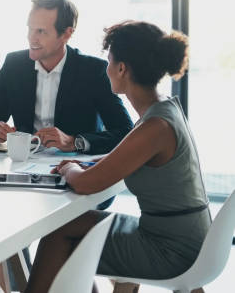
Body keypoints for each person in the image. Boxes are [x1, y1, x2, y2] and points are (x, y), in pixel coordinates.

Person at [25, 21, 211, 293]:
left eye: (109, 61)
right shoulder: (164, 110)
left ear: (122, 69)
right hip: (186, 237)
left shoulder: (155, 126)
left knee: (57, 239)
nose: (107, 69)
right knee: (67, 227)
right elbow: (120, 158)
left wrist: (71, 169)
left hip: (172, 250)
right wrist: (82, 166)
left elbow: (86, 183)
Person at [0, 0, 133, 154]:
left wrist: (74, 142)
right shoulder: (14, 64)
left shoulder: (93, 70)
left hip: (75, 168)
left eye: (41, 31)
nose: (31, 38)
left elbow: (125, 131)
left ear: (66, 34)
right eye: (30, 29)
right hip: (23, 166)